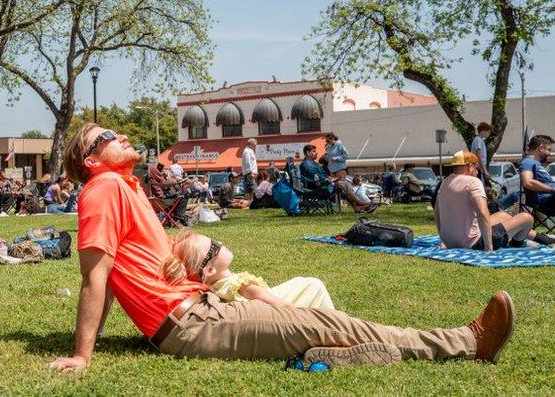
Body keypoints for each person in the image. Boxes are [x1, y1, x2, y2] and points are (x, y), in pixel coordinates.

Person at [49, 123, 518, 373]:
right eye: (106, 137)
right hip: (191, 323)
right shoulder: (103, 189)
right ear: (91, 160)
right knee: (325, 320)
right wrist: (83, 354)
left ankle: (336, 349)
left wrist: (196, 257)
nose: (119, 135)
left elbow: (134, 267)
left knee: (313, 304)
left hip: (203, 304)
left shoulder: (127, 188)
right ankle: (465, 343)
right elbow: (96, 278)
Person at [161, 229, 334, 309]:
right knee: (313, 284)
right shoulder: (238, 283)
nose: (220, 243)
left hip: (262, 309)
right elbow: (271, 301)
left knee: (300, 282)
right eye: (214, 247)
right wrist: (291, 310)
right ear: (210, 270)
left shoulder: (215, 287)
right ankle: (333, 324)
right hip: (276, 309)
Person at [435, 150, 552, 250]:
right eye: (476, 168)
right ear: (469, 166)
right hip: (475, 243)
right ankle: (518, 243)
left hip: (450, 242)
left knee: (503, 215)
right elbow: (482, 213)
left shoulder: (445, 182)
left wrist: (444, 239)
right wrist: (488, 247)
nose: (477, 172)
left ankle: (541, 238)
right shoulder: (473, 182)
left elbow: (437, 212)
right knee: (526, 218)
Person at [301, 144, 377, 214]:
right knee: (343, 184)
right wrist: (330, 180)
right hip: (319, 188)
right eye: (314, 151)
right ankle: (359, 203)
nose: (316, 153)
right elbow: (317, 178)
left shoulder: (313, 163)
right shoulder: (307, 164)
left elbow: (321, 176)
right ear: (308, 153)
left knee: (344, 184)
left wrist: (332, 178)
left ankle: (357, 207)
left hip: (322, 186)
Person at [519, 134, 555, 213]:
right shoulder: (527, 161)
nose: (550, 153)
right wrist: (552, 189)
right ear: (541, 148)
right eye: (549, 150)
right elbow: (527, 182)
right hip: (547, 201)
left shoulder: (536, 164)